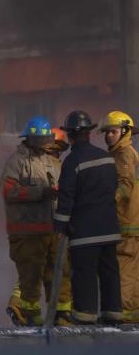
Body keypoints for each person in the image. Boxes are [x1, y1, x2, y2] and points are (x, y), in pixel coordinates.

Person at [0, 116, 71, 326]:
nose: (46, 144)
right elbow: (8, 191)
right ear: (30, 139)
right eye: (41, 139)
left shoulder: (51, 161)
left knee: (57, 271)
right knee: (31, 275)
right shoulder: (17, 162)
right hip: (27, 230)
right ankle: (31, 315)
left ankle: (60, 314)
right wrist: (42, 191)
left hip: (52, 228)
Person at [55, 110, 123, 324]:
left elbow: (66, 197)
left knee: (85, 274)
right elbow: (113, 188)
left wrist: (60, 225)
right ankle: (113, 313)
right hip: (110, 229)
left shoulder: (71, 161)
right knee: (110, 272)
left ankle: (85, 315)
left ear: (70, 135)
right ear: (89, 133)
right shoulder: (107, 158)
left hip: (84, 233)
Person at [100, 111, 139, 323]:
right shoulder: (121, 154)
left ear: (125, 132)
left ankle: (124, 317)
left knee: (124, 272)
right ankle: (132, 318)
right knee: (131, 273)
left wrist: (106, 203)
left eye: (113, 132)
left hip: (127, 225)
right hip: (129, 223)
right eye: (106, 132)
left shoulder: (124, 154)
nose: (108, 136)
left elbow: (125, 185)